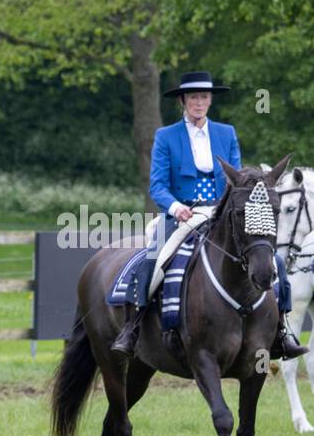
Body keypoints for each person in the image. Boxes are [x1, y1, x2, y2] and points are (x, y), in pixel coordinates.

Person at [114, 70, 307, 359]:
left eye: (204, 96)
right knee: (153, 261)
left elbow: (239, 180)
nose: (199, 102)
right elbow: (157, 185)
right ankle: (133, 328)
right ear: (183, 100)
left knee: (273, 260)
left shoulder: (225, 133)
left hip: (222, 213)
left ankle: (282, 331)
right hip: (181, 213)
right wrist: (176, 207)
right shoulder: (165, 136)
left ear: (210, 101)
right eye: (193, 97)